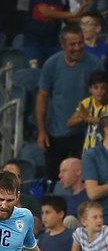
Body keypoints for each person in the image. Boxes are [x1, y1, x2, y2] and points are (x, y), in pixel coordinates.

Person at [37, 24, 104, 177]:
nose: (78, 47)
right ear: (63, 45)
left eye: (80, 43)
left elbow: (103, 96)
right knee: (55, 178)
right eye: (72, 44)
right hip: (55, 134)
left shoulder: (95, 64)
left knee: (83, 178)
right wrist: (41, 130)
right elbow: (42, 96)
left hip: (84, 135)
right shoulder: (51, 64)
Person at [23, 0, 79, 66]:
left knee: (57, 69)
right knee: (34, 72)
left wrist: (85, 18)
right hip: (34, 41)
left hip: (54, 41)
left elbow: (67, 18)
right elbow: (45, 12)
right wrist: (72, 14)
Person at [69, 71, 108, 152]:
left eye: (103, 88)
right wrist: (82, 118)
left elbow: (105, 123)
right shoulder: (87, 103)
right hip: (88, 151)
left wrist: (88, 117)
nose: (99, 91)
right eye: (96, 88)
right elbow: (70, 123)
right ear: (90, 89)